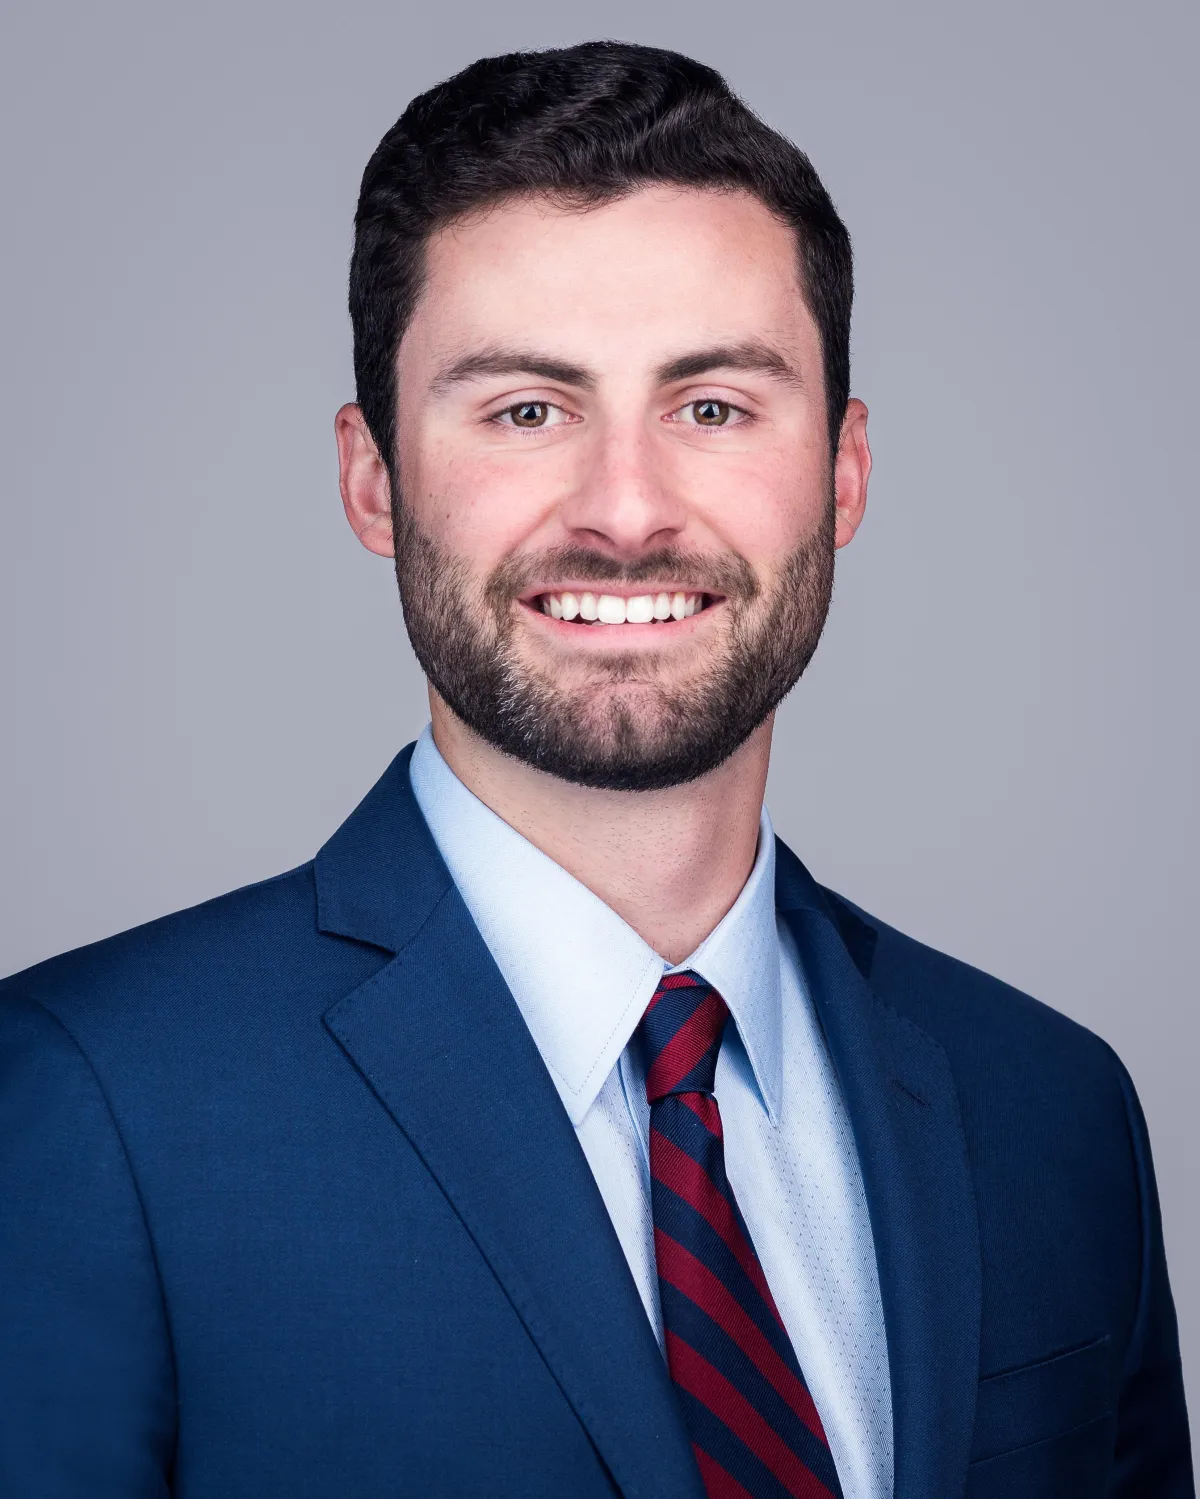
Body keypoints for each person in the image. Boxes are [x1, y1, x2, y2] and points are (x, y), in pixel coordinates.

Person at [0, 39, 1191, 1499]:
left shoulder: (1053, 1110)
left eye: (713, 407)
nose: (626, 514)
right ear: (373, 480)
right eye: (526, 409)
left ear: (844, 472)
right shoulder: (86, 1108)